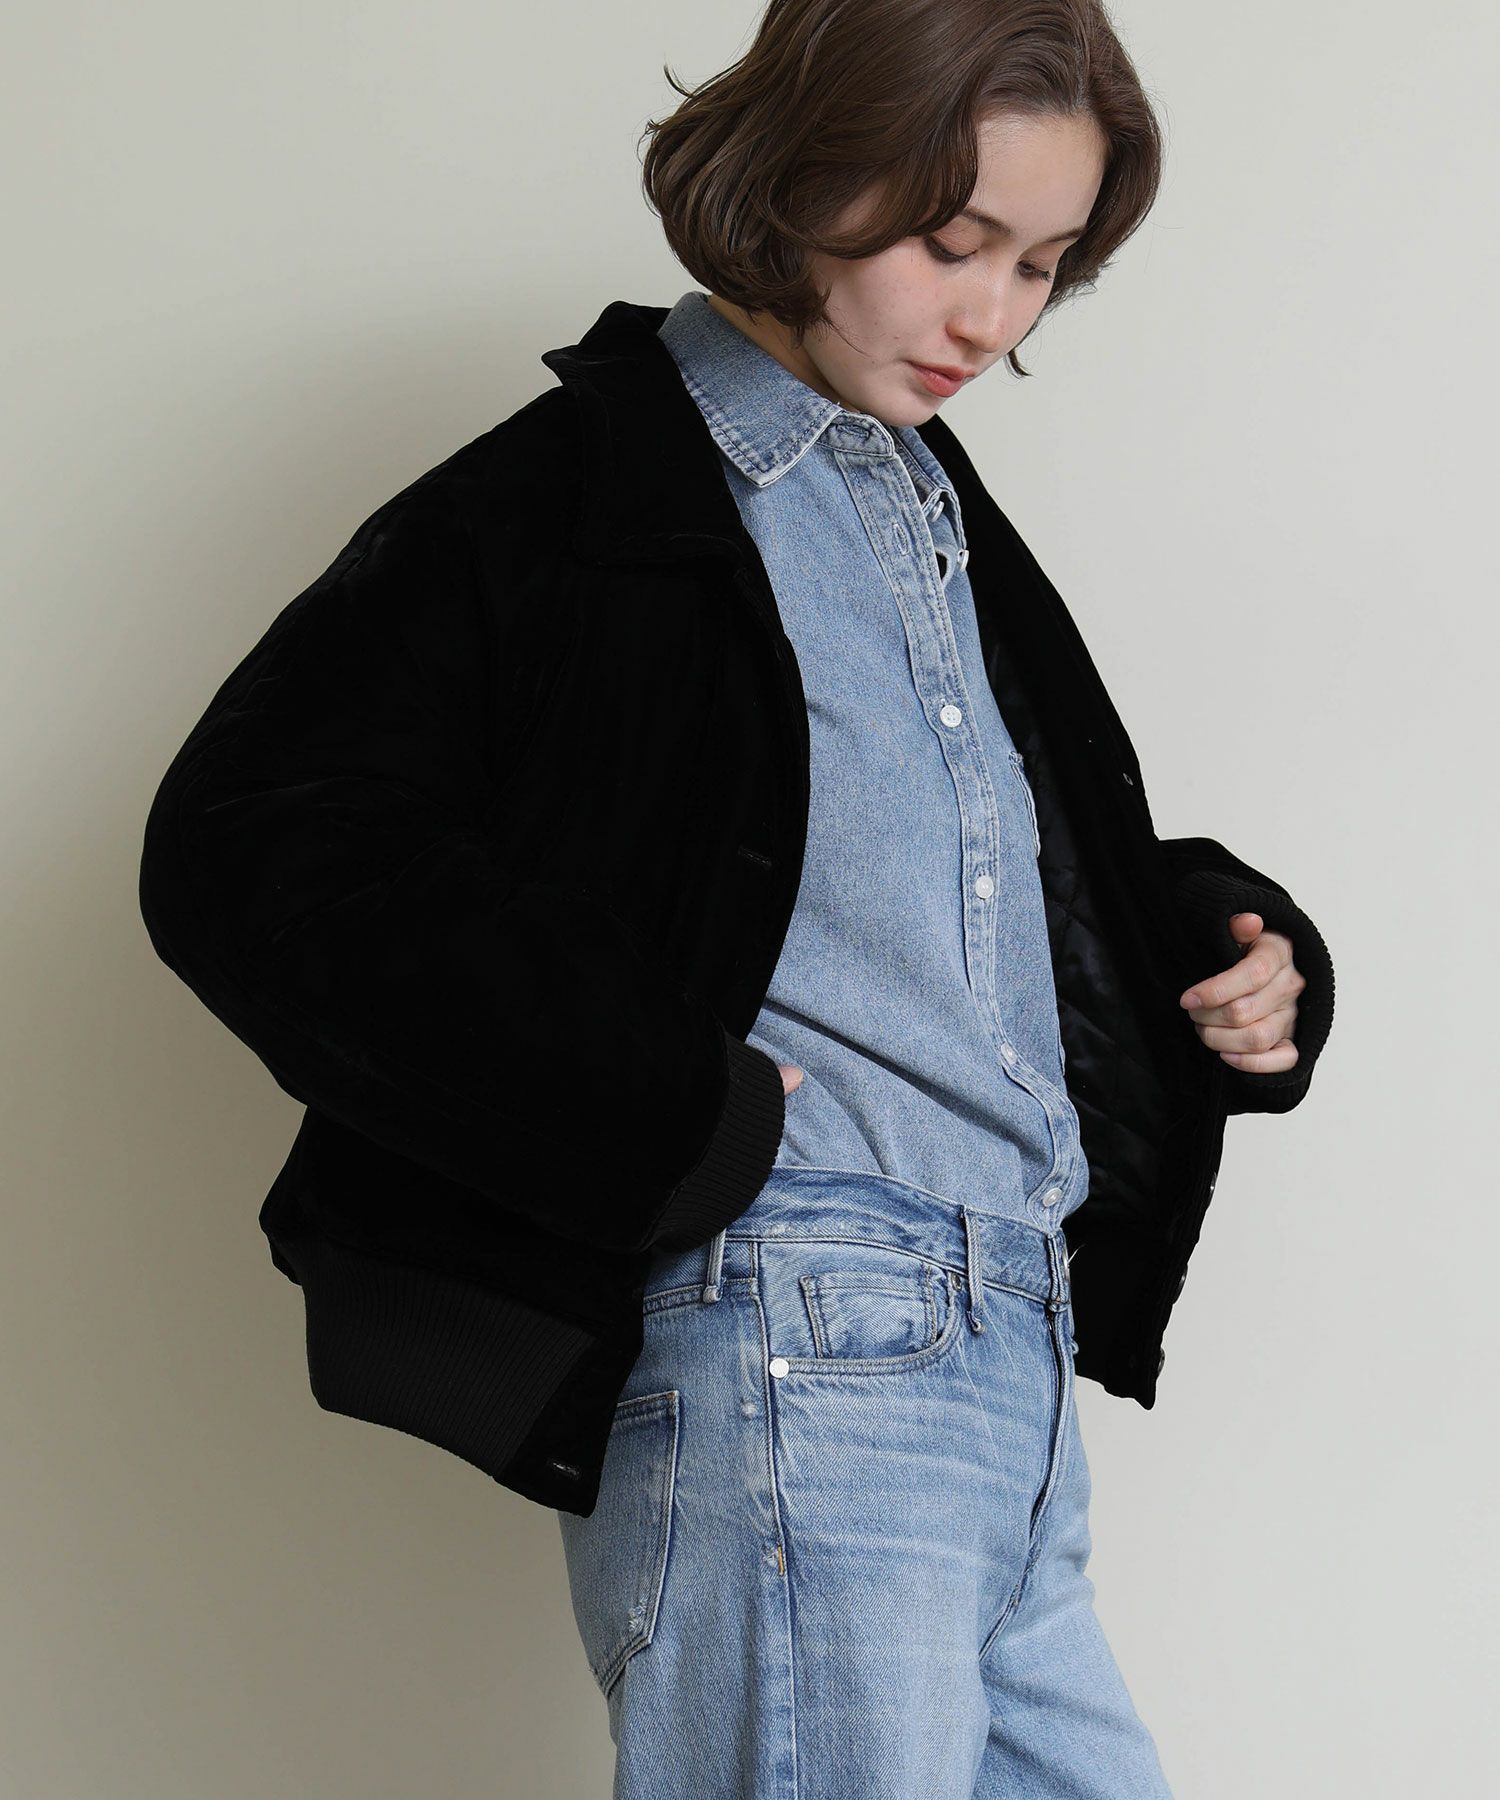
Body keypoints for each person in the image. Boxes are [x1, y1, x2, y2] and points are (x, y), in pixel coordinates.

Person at [138, 0, 1335, 1794]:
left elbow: (909, 874)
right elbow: (256, 843)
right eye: (953, 243)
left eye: (1039, 266)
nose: (991, 318)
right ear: (801, 177)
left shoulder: (922, 504)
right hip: (803, 1339)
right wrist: (668, 1107)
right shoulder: (585, 499)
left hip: (1010, 1360)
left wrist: (1218, 943)